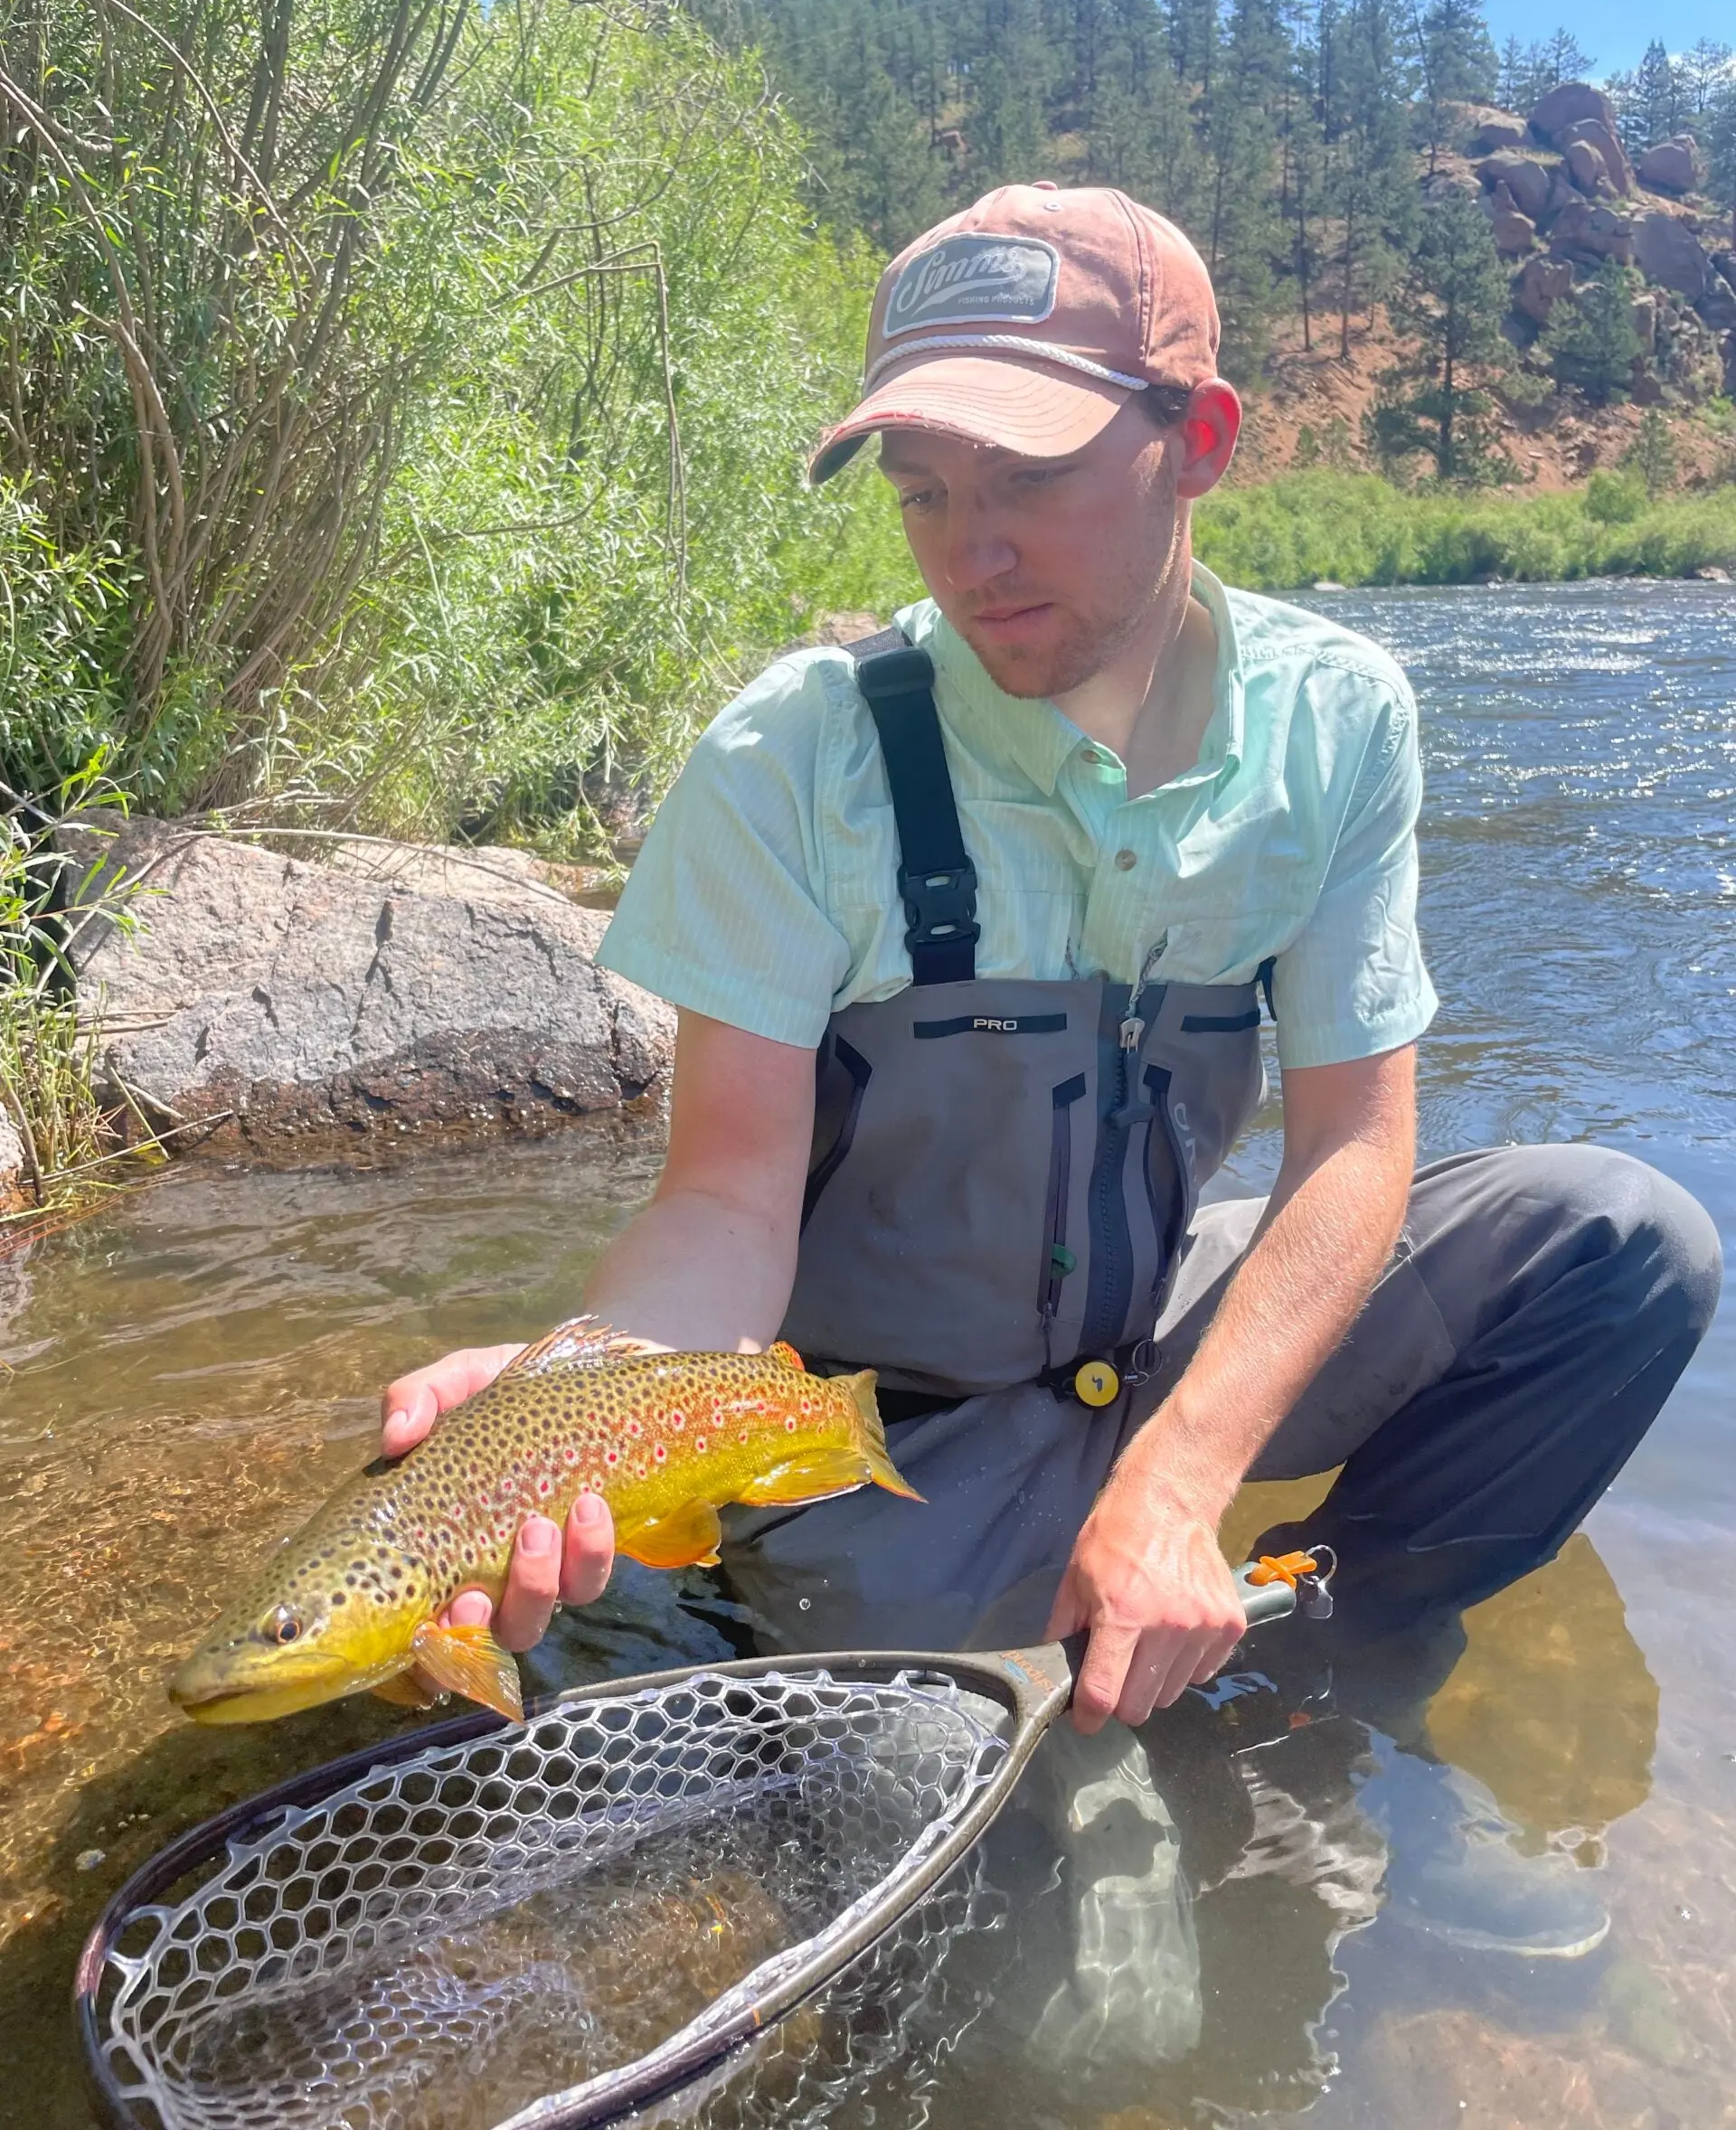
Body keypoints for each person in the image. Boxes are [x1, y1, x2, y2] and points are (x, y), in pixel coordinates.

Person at [377, 186, 1721, 1958]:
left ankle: (1330, 1676)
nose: (967, 549)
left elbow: (1353, 1151)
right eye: (924, 488)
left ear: (1200, 446)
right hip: (885, 1426)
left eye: (1027, 476)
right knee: (1040, 1968)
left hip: (1156, 1320)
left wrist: (1178, 1479)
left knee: (1623, 1237)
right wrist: (589, 1387)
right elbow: (721, 1193)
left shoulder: (1337, 723)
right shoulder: (796, 760)